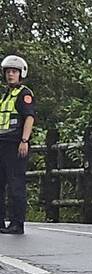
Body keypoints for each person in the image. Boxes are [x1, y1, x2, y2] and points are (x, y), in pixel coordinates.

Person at [0, 55, 35, 235]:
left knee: (16, 185)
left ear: (21, 74)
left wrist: (24, 140)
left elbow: (29, 117)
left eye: (14, 72)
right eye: (8, 72)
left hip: (15, 144)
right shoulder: (5, 94)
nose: (10, 75)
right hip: (2, 144)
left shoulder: (24, 94)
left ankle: (17, 223)